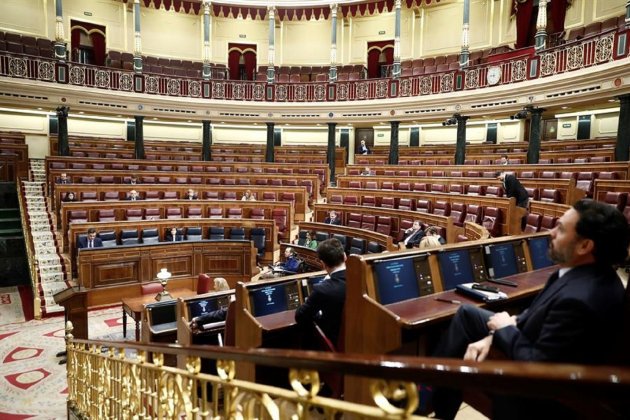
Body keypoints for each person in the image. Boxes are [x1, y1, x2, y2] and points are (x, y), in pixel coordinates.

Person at [432, 199, 630, 420]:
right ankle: (436, 400)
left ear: (585, 246)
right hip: (534, 343)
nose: (550, 233)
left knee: (458, 355)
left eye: (561, 229)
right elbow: (534, 313)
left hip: (541, 397)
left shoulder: (580, 300)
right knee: (468, 314)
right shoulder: (582, 273)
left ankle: (431, 404)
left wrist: (505, 331)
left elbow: (539, 367)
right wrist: (494, 334)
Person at [295, 238, 346, 345]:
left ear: (322, 263)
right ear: (345, 256)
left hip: (335, 341)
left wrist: (318, 314)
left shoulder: (323, 289)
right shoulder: (360, 277)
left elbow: (300, 316)